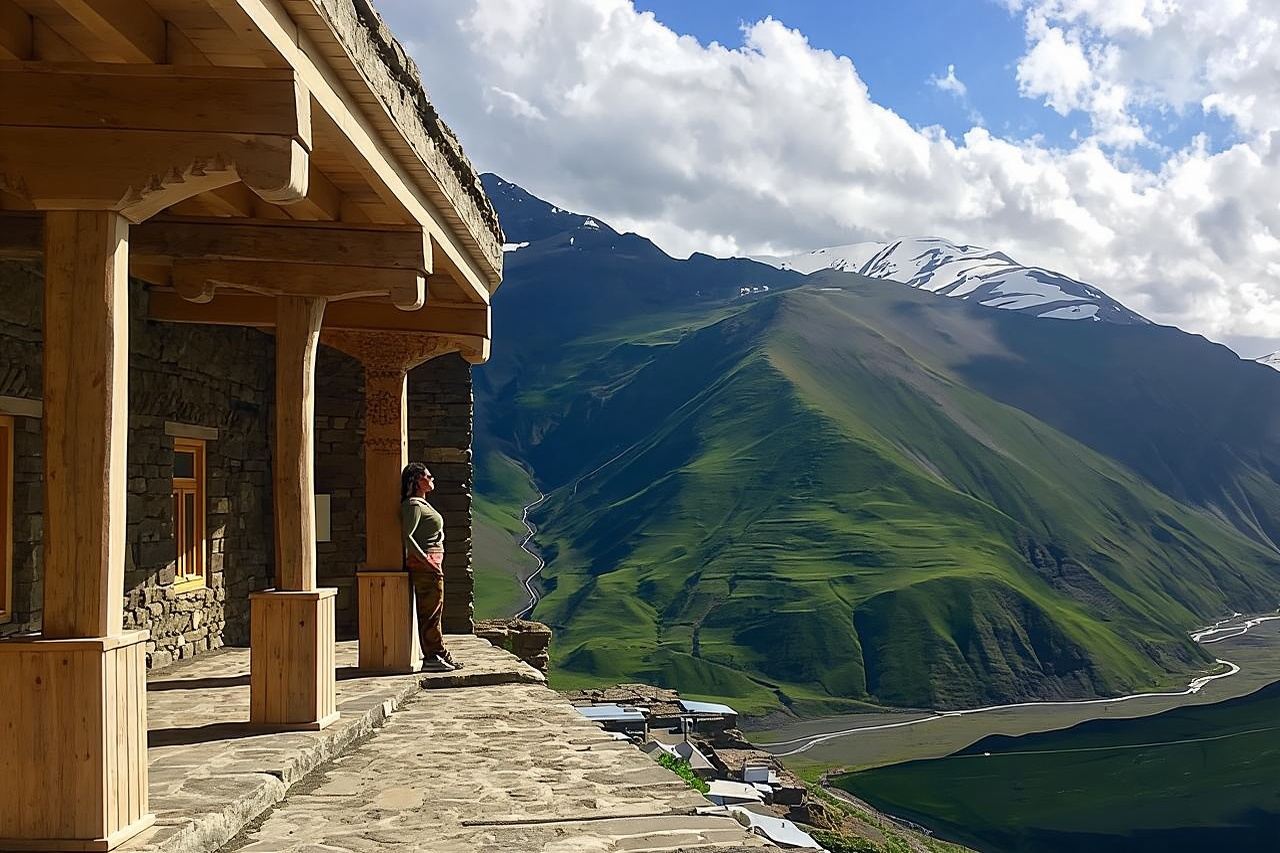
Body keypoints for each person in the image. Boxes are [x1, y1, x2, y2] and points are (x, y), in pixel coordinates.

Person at [401, 462, 463, 672]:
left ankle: (440, 653)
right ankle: (433, 655)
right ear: (418, 480)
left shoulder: (422, 504)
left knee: (435, 608)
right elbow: (408, 536)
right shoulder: (413, 506)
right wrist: (426, 560)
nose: (432, 478)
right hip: (426, 566)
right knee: (430, 611)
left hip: (432, 564)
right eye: (428, 476)